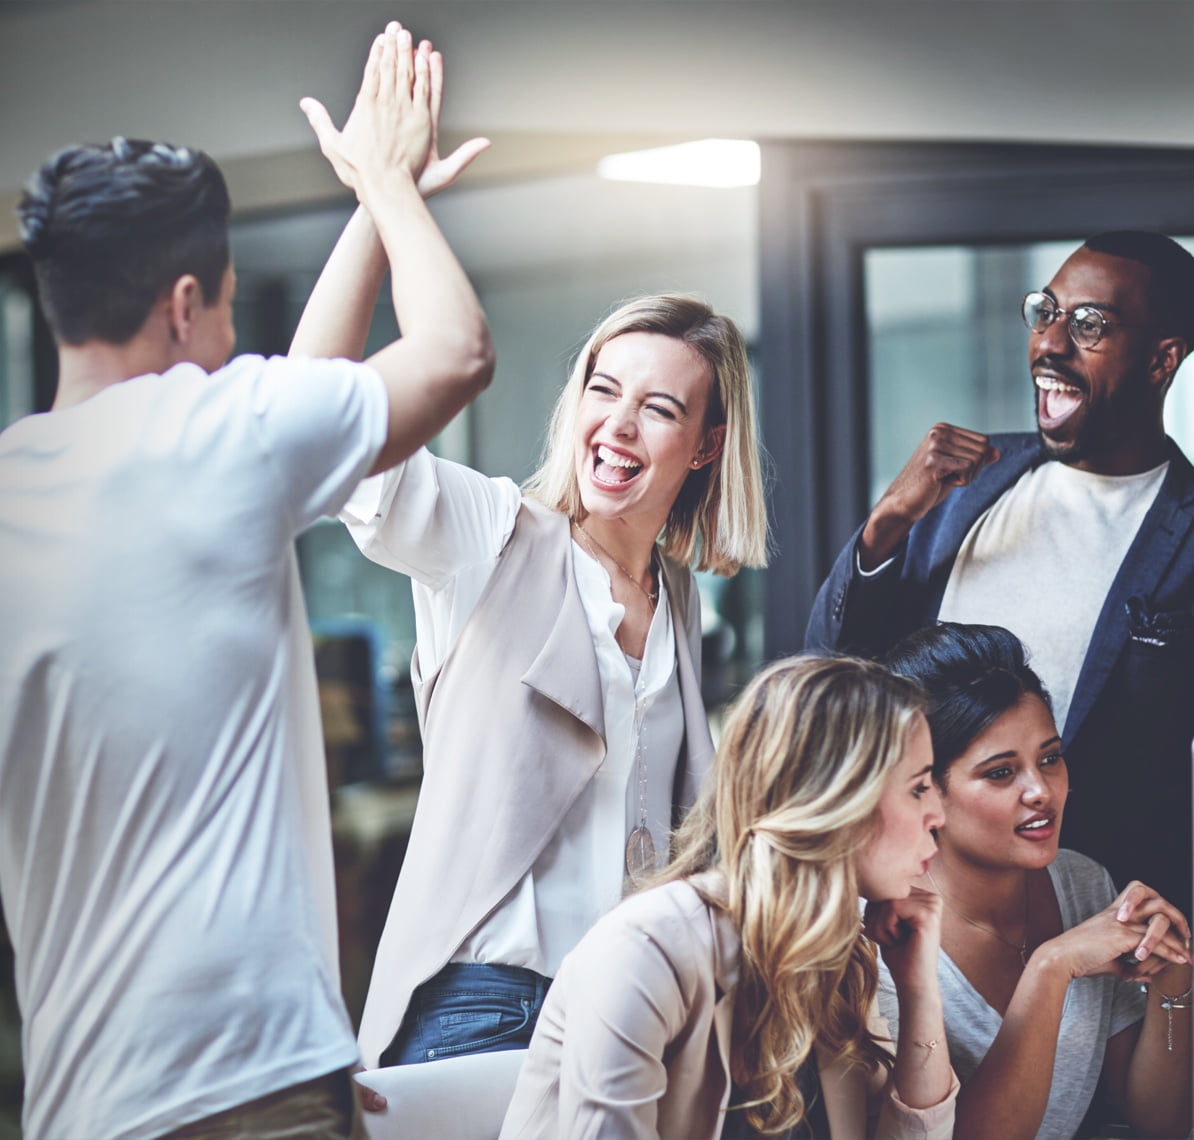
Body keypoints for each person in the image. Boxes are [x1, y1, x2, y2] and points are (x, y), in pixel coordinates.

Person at [0, 24, 493, 1139]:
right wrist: (385, 185)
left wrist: (379, 204)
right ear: (185, 304)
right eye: (225, 307)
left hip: (81, 1103)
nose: (233, 342)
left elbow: (304, 398)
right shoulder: (221, 437)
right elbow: (456, 349)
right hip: (243, 1087)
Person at [301, 251, 768, 1078]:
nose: (618, 425)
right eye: (602, 389)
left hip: (631, 1010)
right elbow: (324, 420)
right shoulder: (491, 534)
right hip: (488, 1006)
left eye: (658, 408)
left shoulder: (680, 599)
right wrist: (381, 204)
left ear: (706, 446)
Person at [805, 231, 1194, 913]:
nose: (1049, 343)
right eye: (1045, 312)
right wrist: (889, 520)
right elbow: (831, 666)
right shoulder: (963, 484)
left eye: (1090, 324)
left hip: (1094, 914)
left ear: (1163, 359)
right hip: (906, 897)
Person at [498, 654, 957, 1139]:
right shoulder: (647, 947)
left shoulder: (829, 959)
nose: (938, 814)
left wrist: (919, 991)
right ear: (835, 801)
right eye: (919, 787)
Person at [881, 622, 1192, 1140]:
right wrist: (1052, 966)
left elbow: (1159, 1123)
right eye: (1001, 773)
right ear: (925, 787)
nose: (1041, 791)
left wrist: (1174, 984)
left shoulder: (1084, 884)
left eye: (1049, 758)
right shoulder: (884, 932)